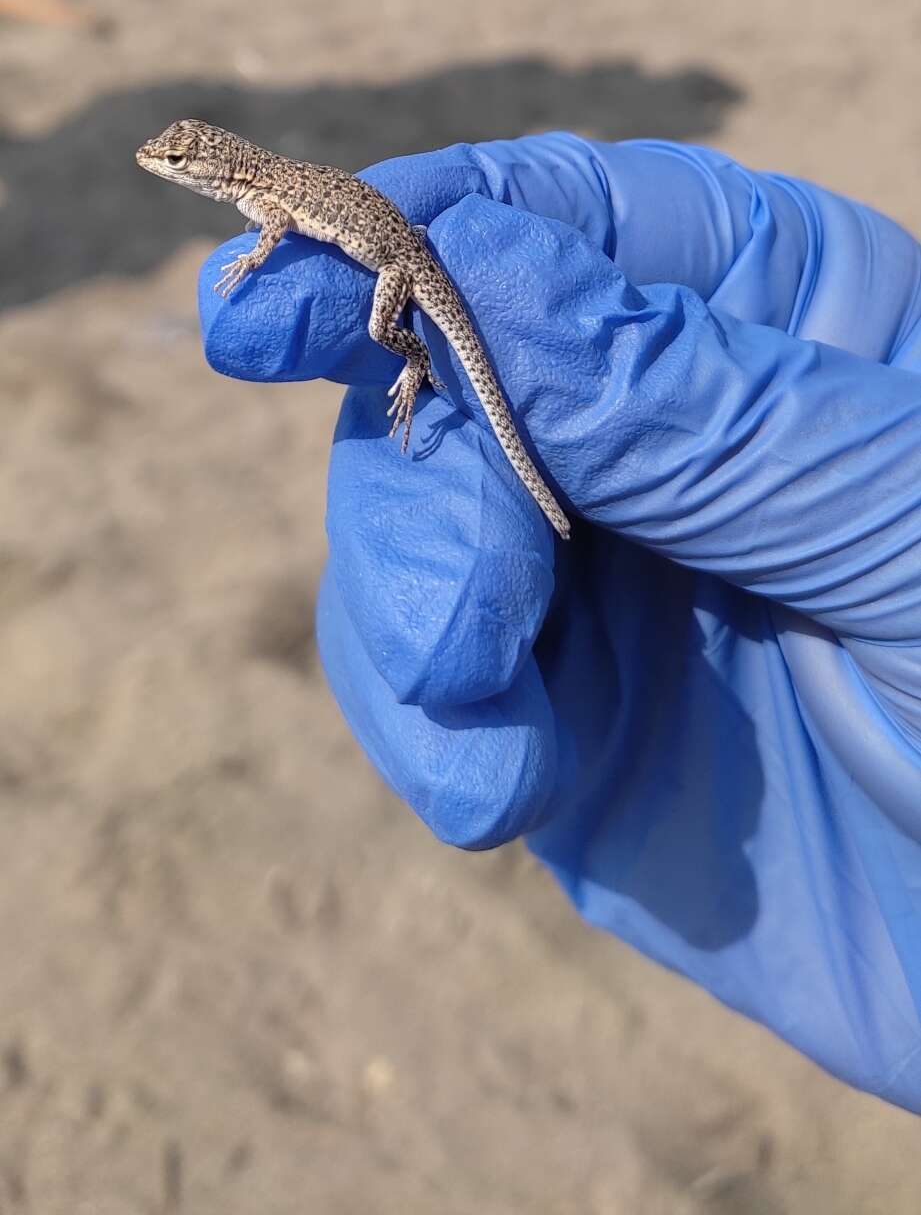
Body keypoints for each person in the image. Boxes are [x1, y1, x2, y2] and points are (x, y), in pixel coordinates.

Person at [199, 135, 921, 1111]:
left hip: (412, 264)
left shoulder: (274, 206)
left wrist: (295, 282)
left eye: (183, 164)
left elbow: (290, 239)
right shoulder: (277, 189)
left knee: (452, 374)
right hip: (405, 246)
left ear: (221, 173)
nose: (177, 171)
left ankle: (418, 375)